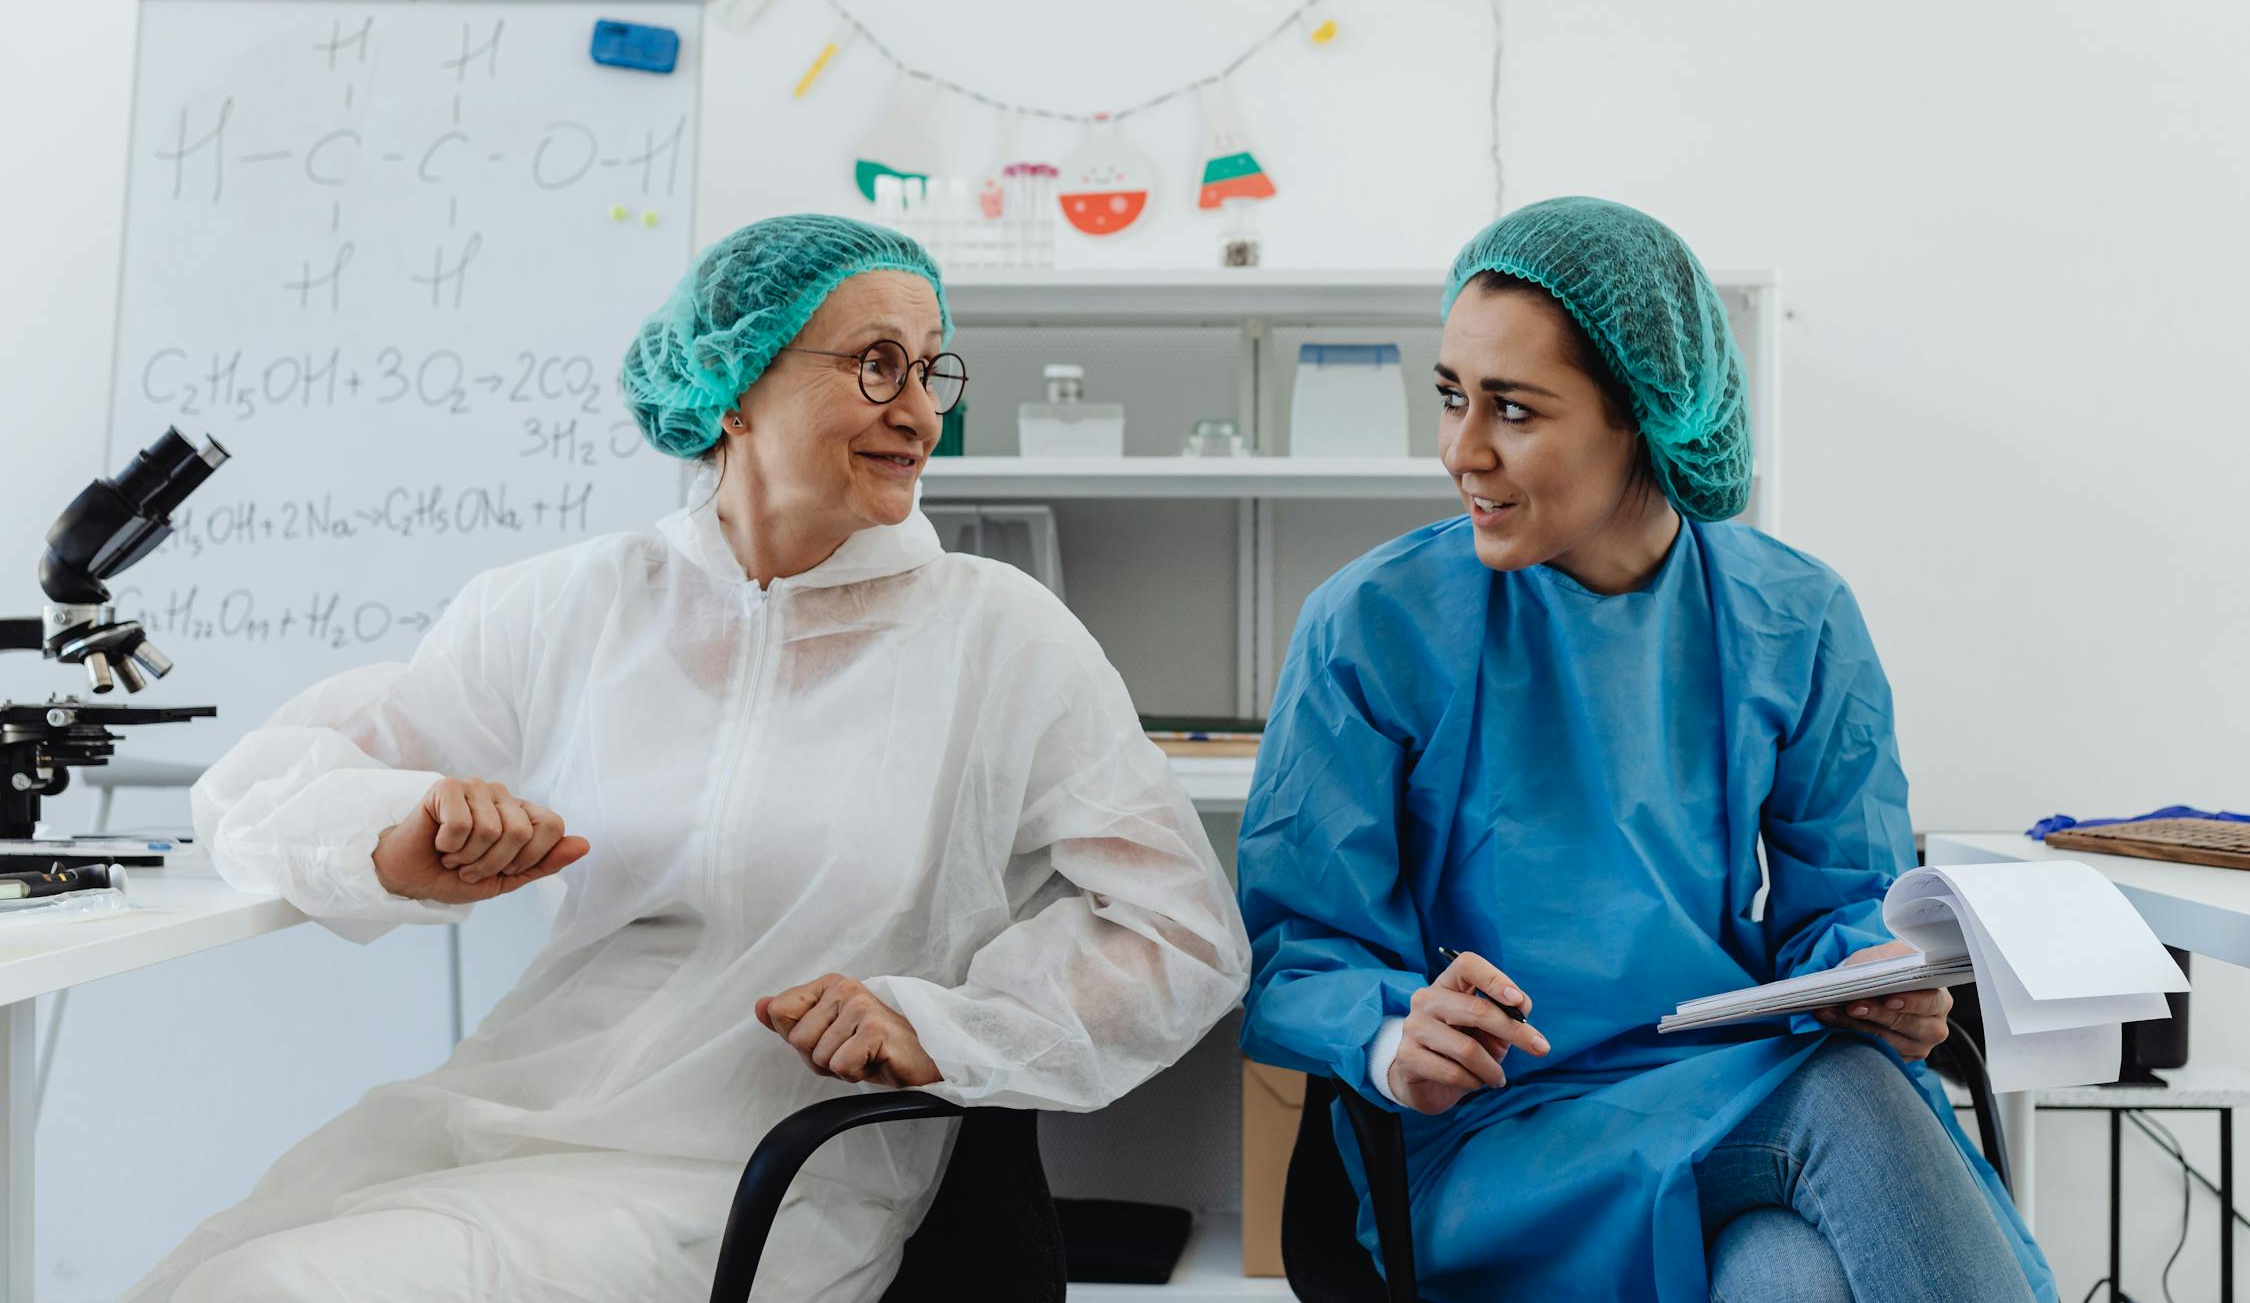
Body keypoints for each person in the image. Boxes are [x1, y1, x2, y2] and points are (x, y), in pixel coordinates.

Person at [127, 214, 1250, 1302]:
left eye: (929, 371)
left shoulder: (999, 635)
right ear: (735, 386)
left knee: (280, 1286)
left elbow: (1181, 931)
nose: (919, 413)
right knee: (205, 1280)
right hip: (499, 1120)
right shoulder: (568, 605)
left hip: (768, 1173)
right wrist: (398, 833)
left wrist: (946, 1024)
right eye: (874, 364)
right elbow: (260, 793)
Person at [1237, 197, 2054, 1302]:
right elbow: (1298, 953)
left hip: (1737, 1089)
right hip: (1499, 1135)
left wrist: (1874, 977)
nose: (1460, 451)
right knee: (1852, 1100)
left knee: (1791, 1276)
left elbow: (1843, 906)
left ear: (1643, 416)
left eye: (1512, 410)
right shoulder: (1373, 624)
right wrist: (1394, 1037)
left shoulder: (1796, 616)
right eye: (1450, 398)